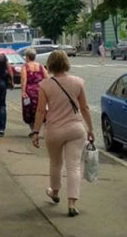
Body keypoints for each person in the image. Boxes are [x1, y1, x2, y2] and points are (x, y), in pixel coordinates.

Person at [31, 50, 95, 218]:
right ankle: (72, 203)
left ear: (50, 65)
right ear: (66, 63)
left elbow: (40, 111)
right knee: (73, 166)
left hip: (54, 130)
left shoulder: (45, 85)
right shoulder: (78, 82)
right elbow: (85, 108)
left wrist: (36, 132)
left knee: (55, 163)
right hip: (76, 129)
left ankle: (54, 192)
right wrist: (90, 129)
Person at [20, 48, 49, 136]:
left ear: (27, 57)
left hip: (30, 92)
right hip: (40, 90)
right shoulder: (40, 66)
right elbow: (47, 77)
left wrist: (23, 91)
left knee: (29, 110)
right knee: (41, 110)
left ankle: (34, 130)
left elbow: (24, 79)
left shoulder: (25, 66)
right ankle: (44, 131)